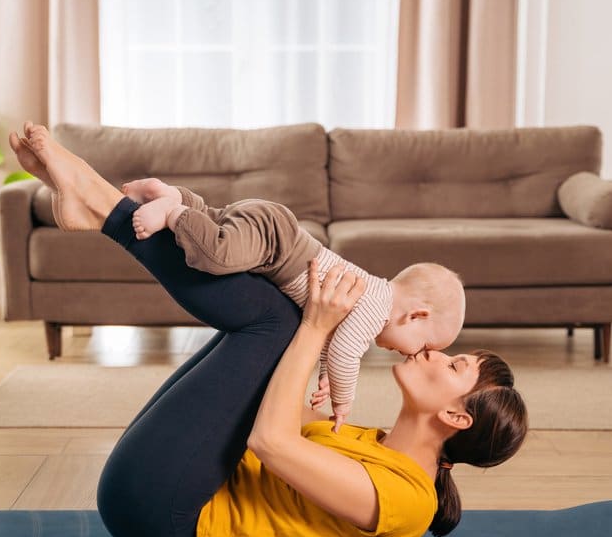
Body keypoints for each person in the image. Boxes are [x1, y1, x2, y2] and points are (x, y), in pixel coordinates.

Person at [8, 121, 528, 537]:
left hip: (169, 519)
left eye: (454, 363)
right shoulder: (373, 441)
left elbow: (270, 443)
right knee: (282, 317)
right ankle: (109, 204)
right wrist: (314, 331)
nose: (433, 354)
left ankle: (108, 210)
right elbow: (265, 391)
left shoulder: (408, 501)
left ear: (457, 417)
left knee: (284, 324)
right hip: (172, 487)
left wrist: (317, 330)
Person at [124, 180, 466, 432]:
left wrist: (327, 377)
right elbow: (345, 354)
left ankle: (178, 197)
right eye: (422, 346)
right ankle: (173, 211)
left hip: (274, 233)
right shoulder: (377, 309)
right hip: (277, 243)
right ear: (416, 315)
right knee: (215, 254)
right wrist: (344, 400)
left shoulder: (372, 299)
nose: (413, 356)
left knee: (217, 228)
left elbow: (329, 336)